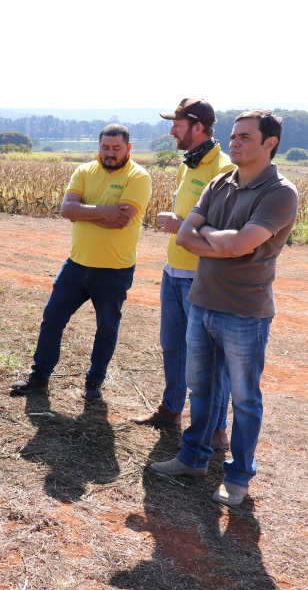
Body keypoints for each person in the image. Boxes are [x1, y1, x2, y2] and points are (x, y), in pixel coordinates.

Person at [150, 110, 298, 506]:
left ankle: (238, 477)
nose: (234, 142)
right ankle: (194, 457)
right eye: (234, 136)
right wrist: (221, 239)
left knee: (245, 399)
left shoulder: (280, 193)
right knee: (201, 388)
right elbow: (184, 236)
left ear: (270, 144)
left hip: (245, 311)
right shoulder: (219, 182)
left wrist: (210, 236)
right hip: (201, 302)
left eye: (246, 137)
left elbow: (236, 245)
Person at [11, 124, 152, 401]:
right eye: (105, 148)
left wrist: (84, 212)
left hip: (114, 269)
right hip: (76, 265)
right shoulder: (84, 171)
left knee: (107, 328)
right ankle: (40, 376)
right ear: (98, 146)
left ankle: (94, 382)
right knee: (52, 318)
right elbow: (66, 209)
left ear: (128, 148)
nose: (110, 153)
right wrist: (104, 212)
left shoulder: (139, 177)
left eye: (116, 148)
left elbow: (121, 220)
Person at [132, 99, 235, 452]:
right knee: (173, 346)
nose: (171, 130)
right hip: (174, 271)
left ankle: (217, 430)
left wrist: (180, 227)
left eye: (176, 124)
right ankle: (172, 409)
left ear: (197, 125)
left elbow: (228, 227)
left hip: (202, 277)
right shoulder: (188, 163)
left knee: (209, 359)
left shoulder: (223, 167)